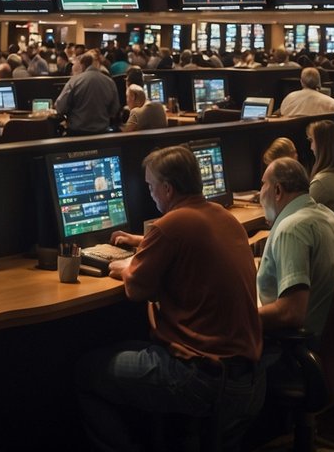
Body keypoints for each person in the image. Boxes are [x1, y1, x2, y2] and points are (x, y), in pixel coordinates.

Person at [77, 146, 263, 452]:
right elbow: (187, 244)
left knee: (87, 372)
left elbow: (137, 289)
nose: (150, 193)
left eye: (151, 186)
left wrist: (125, 266)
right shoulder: (223, 216)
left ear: (167, 188)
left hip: (201, 378)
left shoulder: (171, 227)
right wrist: (144, 242)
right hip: (247, 378)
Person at [256, 158, 334, 340]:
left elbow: (291, 312)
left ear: (278, 190)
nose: (259, 193)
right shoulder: (327, 214)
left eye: (263, 184)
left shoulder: (291, 229)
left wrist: (242, 319)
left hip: (300, 348)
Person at [54, 52, 120, 135]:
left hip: (77, 133)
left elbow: (60, 107)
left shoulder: (74, 81)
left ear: (82, 66)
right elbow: (115, 109)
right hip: (102, 133)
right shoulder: (110, 82)